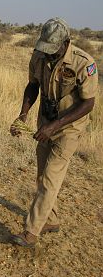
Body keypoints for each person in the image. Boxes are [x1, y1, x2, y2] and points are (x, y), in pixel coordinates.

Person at [10, 17, 98, 247]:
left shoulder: (83, 63)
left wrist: (55, 126)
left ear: (66, 42)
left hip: (69, 127)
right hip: (45, 123)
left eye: (53, 50)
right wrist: (23, 115)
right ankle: (51, 219)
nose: (48, 54)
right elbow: (33, 86)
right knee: (42, 175)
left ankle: (31, 231)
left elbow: (88, 104)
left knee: (50, 177)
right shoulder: (39, 56)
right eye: (45, 48)